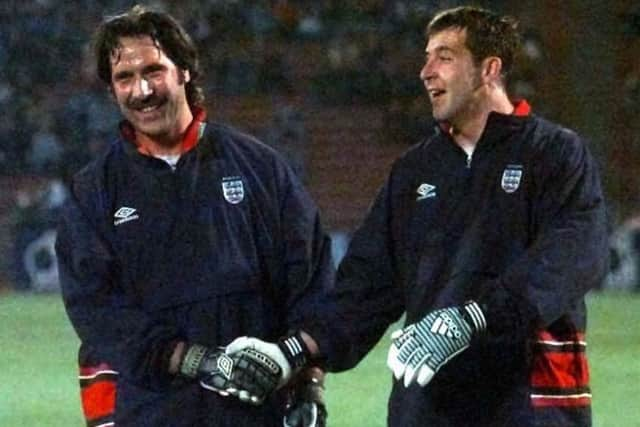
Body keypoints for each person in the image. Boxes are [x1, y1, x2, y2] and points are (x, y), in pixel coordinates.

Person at [222, 6, 609, 427]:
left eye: (444, 56)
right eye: (426, 57)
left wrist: (474, 317)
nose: (426, 71)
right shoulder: (414, 171)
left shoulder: (554, 153)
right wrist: (291, 352)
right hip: (429, 409)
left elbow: (573, 254)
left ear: (489, 69)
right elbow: (363, 290)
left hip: (534, 405)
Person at [55, 5, 331, 426]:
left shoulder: (260, 168)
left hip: (258, 413)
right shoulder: (93, 192)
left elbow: (310, 284)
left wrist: (310, 385)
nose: (142, 90)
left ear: (184, 70)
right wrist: (196, 360)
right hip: (152, 414)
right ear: (111, 92)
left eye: (153, 70)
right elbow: (98, 312)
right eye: (124, 78)